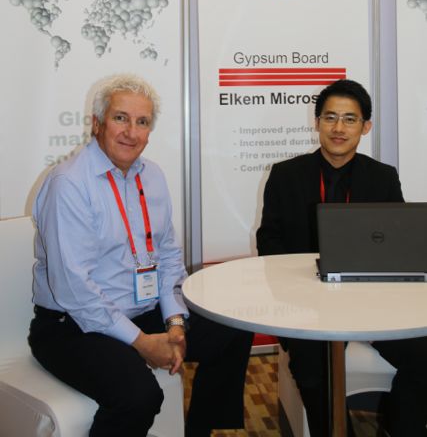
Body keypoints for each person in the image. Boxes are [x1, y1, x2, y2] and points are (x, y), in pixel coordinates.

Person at [29, 73, 253, 437]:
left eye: (142, 122)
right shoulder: (68, 184)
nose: (131, 133)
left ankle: (199, 431)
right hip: (73, 327)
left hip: (140, 310)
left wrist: (175, 323)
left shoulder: (152, 176)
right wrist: (142, 343)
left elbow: (167, 257)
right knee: (139, 396)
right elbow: (75, 290)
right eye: (121, 118)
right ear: (97, 123)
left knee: (232, 329)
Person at [256, 79, 427, 437]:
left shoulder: (382, 177)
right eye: (330, 117)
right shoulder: (286, 175)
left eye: (350, 119)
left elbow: (397, 245)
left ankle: (397, 426)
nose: (338, 128)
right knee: (314, 372)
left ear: (365, 127)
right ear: (317, 122)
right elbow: (268, 241)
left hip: (372, 303)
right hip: (307, 304)